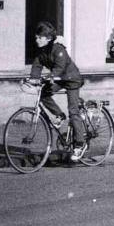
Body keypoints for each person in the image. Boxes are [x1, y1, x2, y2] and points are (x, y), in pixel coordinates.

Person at [29, 21, 87, 162]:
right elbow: (37, 65)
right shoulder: (41, 51)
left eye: (40, 38)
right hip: (59, 79)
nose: (37, 40)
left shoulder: (58, 49)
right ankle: (59, 115)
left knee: (73, 111)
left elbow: (59, 67)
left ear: (48, 38)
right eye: (36, 37)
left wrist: (50, 76)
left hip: (72, 79)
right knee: (43, 94)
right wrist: (33, 78)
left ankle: (80, 144)